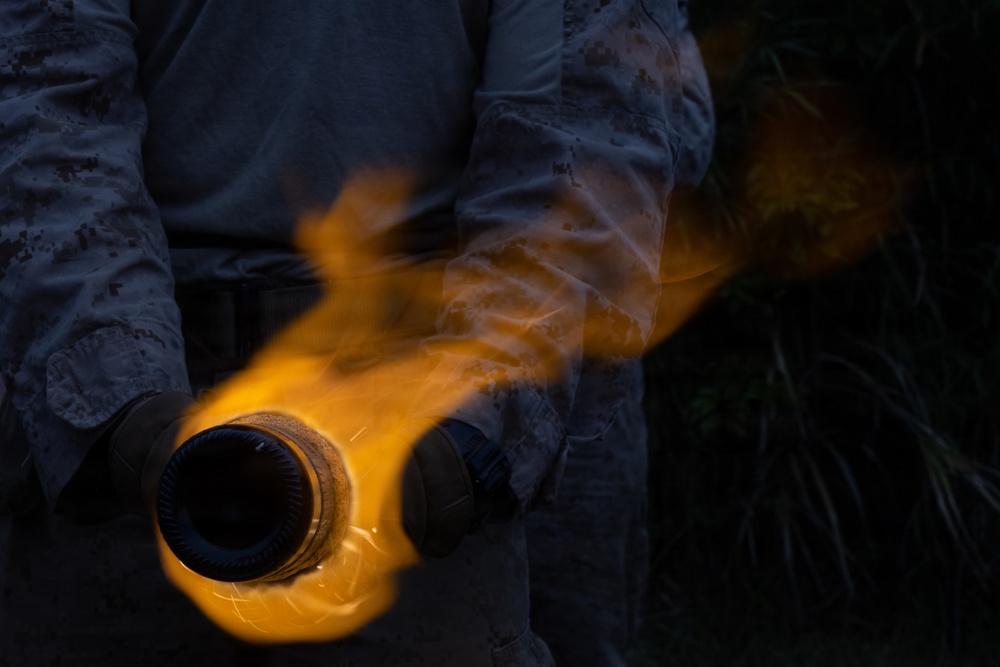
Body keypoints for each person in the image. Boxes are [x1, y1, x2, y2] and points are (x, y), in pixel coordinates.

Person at [0, 1, 714, 665]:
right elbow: (38, 105)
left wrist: (468, 423)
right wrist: (128, 414)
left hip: (418, 432)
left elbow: (584, 139)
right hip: (122, 453)